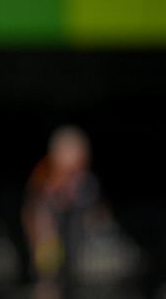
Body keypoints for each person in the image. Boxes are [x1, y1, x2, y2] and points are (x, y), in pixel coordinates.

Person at [21, 125, 113, 299]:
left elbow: (100, 214)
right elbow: (32, 218)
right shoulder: (41, 185)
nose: (77, 176)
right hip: (51, 264)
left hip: (82, 267)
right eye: (70, 170)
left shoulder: (88, 185)